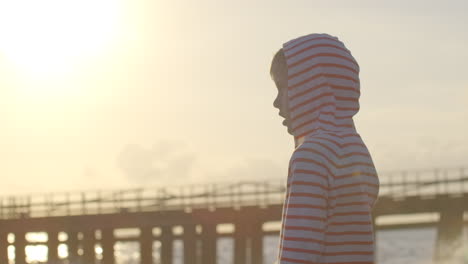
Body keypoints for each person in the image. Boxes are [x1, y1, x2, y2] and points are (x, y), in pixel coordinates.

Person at [270, 33, 380, 264]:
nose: (276, 101)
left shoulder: (311, 156)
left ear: (309, 87)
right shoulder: (356, 149)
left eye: (283, 88)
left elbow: (299, 252)